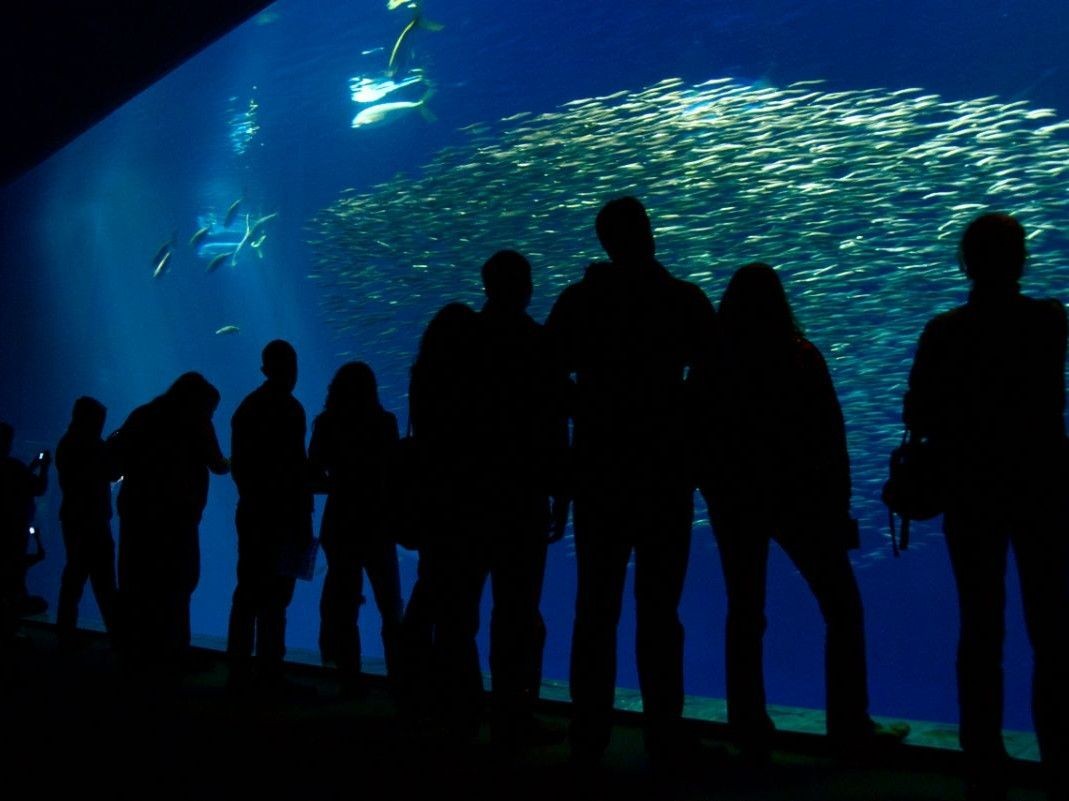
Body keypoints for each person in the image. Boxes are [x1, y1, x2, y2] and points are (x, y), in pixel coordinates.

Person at [702, 262, 907, 759]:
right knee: (842, 607)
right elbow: (830, 437)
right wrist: (838, 505)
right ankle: (848, 723)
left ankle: (747, 727)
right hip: (801, 501)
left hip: (735, 500)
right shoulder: (801, 356)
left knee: (745, 613)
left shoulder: (714, 362)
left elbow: (698, 433)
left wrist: (713, 491)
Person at [544, 196, 718, 765]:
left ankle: (588, 734)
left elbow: (546, 383)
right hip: (664, 475)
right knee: (659, 610)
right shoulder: (681, 299)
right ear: (646, 232)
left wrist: (587, 413)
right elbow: (716, 382)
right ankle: (663, 732)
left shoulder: (578, 302)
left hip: (598, 473)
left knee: (596, 607)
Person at [905, 213, 1068, 801]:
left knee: (981, 627)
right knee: (1052, 629)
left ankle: (983, 759)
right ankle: (1060, 755)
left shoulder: (945, 331)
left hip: (972, 494)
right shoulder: (1048, 321)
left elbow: (916, 415)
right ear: (1020, 260)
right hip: (1041, 492)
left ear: (965, 263)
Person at [475, 250, 570, 748]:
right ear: (525, 287)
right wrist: (562, 492)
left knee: (462, 606)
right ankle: (515, 712)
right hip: (523, 494)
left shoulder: (461, 339)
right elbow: (556, 421)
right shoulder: (537, 343)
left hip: (469, 495)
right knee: (518, 610)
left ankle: (467, 710)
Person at [401, 301, 484, 735]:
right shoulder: (469, 382)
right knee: (456, 608)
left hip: (433, 501)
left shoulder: (422, 376)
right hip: (464, 504)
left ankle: (431, 694)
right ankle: (459, 704)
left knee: (436, 593)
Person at [109, 373, 229, 666]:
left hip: (137, 515)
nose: (211, 414)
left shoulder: (143, 415)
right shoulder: (196, 421)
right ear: (200, 401)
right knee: (178, 583)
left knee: (136, 581)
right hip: (177, 519)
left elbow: (116, 462)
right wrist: (234, 462)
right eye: (211, 409)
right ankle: (174, 652)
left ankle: (135, 653)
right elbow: (217, 464)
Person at [309, 361, 403, 694]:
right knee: (390, 604)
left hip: (341, 521)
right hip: (378, 521)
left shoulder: (325, 424)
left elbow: (313, 472)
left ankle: (348, 676)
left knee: (344, 602)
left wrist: (338, 484)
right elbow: (395, 473)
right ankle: (399, 678)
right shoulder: (385, 422)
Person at [227, 340, 314, 692]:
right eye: (289, 366)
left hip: (253, 513)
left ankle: (240, 670)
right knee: (276, 597)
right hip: (286, 516)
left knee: (249, 592)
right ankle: (269, 670)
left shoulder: (246, 408)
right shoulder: (292, 410)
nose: (292, 373)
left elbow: (241, 471)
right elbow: (297, 469)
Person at [55, 396, 119, 648]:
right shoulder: (93, 446)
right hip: (93, 520)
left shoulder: (67, 443)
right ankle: (117, 635)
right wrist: (112, 449)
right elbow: (113, 472)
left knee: (74, 576)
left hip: (72, 517)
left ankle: (65, 630)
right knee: (104, 581)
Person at [0, 422, 50, 643]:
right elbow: (37, 488)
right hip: (13, 536)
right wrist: (45, 467)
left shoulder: (14, 469)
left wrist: (31, 467)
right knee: (13, 581)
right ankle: (10, 630)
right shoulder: (13, 468)